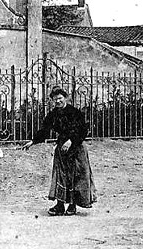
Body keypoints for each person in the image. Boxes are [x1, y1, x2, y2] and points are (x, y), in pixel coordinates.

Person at [21, 87, 97, 216]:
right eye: (55, 99)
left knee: (76, 175)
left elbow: (83, 130)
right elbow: (45, 130)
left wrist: (71, 140)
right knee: (60, 175)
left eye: (60, 98)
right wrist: (33, 142)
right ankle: (60, 205)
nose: (57, 101)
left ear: (65, 98)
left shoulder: (75, 112)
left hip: (77, 147)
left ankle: (72, 205)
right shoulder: (52, 114)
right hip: (62, 148)